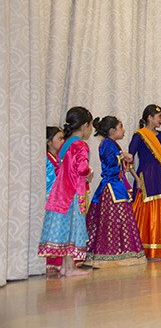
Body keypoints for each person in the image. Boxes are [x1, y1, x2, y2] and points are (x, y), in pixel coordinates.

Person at [38, 107, 94, 277]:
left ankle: (66, 266)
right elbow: (82, 167)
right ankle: (69, 267)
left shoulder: (66, 143)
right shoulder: (80, 145)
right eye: (90, 125)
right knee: (73, 228)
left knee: (66, 228)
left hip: (60, 191)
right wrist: (89, 173)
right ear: (85, 126)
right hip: (73, 192)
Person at [86, 116, 147, 267]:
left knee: (121, 220)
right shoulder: (107, 144)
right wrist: (122, 156)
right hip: (111, 187)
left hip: (117, 185)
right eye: (121, 127)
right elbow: (110, 162)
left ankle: (122, 253)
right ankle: (109, 256)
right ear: (113, 130)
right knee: (112, 221)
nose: (124, 130)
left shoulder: (112, 144)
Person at [129, 105, 161, 259]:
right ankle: (146, 249)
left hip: (160, 176)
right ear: (149, 117)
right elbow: (129, 159)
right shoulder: (139, 135)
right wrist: (136, 179)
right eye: (159, 117)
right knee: (146, 211)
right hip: (146, 176)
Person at [45, 126, 64, 274]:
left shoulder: (59, 157)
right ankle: (51, 261)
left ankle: (59, 260)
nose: (62, 141)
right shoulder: (46, 159)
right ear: (49, 142)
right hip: (50, 198)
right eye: (59, 138)